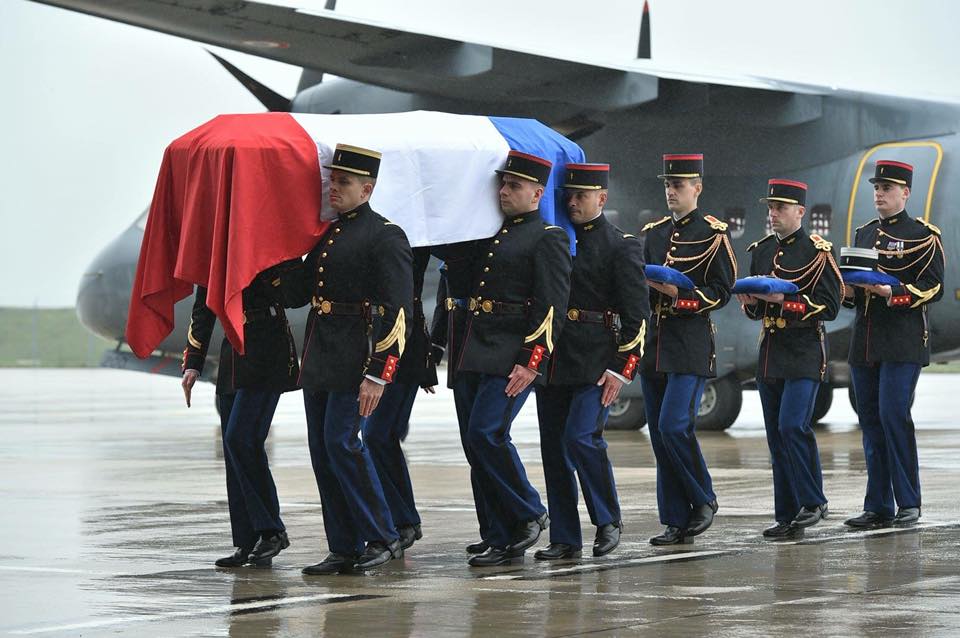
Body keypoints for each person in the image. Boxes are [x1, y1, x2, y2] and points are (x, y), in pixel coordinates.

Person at [285, 143, 414, 574]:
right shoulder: (326, 232)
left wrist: (380, 372)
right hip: (321, 354)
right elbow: (299, 292)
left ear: (368, 188)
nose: (334, 188)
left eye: (344, 182)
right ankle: (343, 546)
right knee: (323, 451)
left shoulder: (386, 235)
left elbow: (399, 312)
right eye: (333, 180)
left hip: (357, 356)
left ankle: (383, 535)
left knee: (344, 444)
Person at [455, 150, 572, 566]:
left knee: (488, 433)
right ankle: (498, 534)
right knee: (474, 442)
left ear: (538, 193)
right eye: (503, 184)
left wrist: (531, 360)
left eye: (515, 186)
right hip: (476, 347)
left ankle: (527, 511)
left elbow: (551, 305)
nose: (504, 192)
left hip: (512, 353)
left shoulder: (548, 237)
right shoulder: (491, 232)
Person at [534, 162, 649, 560]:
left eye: (581, 196)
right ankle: (565, 538)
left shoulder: (621, 245)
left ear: (602, 198)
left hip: (597, 360)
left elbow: (637, 316)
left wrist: (622, 368)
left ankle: (607, 519)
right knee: (553, 449)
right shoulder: (555, 240)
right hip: (556, 358)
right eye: (568, 195)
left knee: (581, 437)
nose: (572, 202)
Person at [640, 153, 736, 546]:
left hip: (690, 342)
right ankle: (675, 519)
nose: (671, 191)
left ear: (696, 188)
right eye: (667, 184)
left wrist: (681, 296)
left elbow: (722, 290)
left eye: (678, 185)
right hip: (656, 345)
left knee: (673, 426)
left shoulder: (713, 234)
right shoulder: (655, 233)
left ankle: (703, 497)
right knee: (660, 438)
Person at [843, 160, 944, 529]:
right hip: (865, 341)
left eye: (887, 189)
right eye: (876, 188)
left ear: (905, 193)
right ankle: (878, 506)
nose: (879, 194)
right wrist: (847, 291)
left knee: (893, 416)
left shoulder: (923, 235)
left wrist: (894, 291)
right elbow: (855, 294)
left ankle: (909, 502)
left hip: (902, 341)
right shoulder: (864, 234)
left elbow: (934, 286)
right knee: (869, 421)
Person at [180, 260, 301, 567]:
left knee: (241, 439)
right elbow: (204, 304)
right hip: (233, 350)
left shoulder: (269, 240)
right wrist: (193, 360)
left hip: (267, 344)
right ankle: (247, 542)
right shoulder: (220, 243)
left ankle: (272, 531)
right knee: (233, 450)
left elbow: (296, 293)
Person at [738, 178, 841, 540]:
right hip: (772, 353)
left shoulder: (818, 252)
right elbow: (757, 310)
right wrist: (752, 305)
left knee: (793, 426)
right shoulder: (763, 250)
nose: (774, 214)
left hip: (804, 351)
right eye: (771, 208)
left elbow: (829, 305)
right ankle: (787, 513)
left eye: (781, 208)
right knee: (775, 436)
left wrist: (787, 303)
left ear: (800, 211)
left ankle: (814, 501)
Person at [362, 247, 438, 551]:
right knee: (380, 436)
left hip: (402, 350)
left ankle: (403, 520)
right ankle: (403, 519)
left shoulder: (403, 237)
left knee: (377, 435)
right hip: (379, 347)